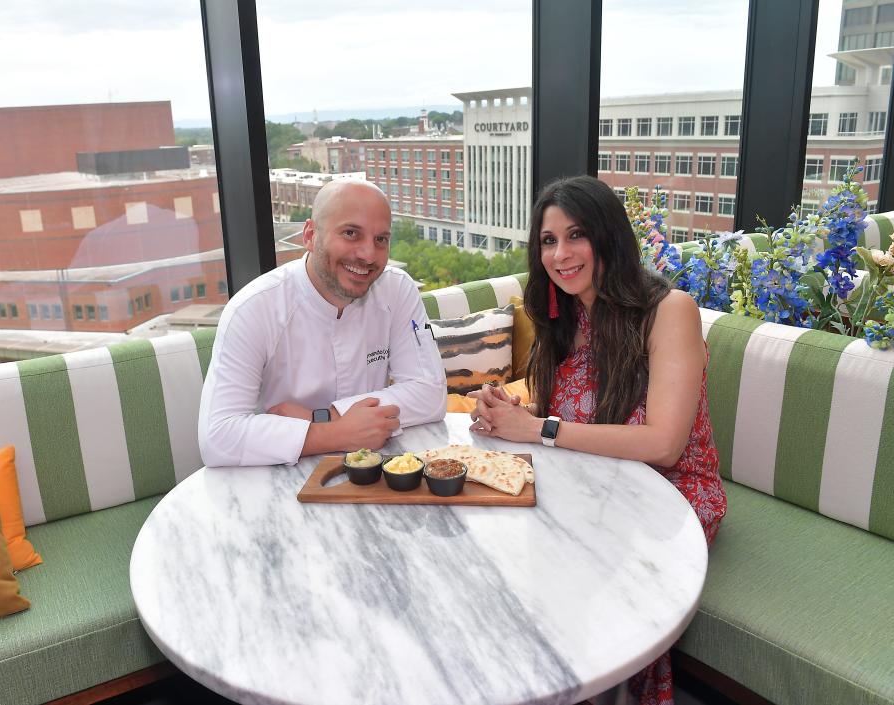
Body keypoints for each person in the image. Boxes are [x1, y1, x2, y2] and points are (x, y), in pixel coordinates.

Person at [468, 175, 726, 705]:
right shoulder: (565, 312)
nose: (561, 254)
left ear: (608, 235)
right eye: (548, 240)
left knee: (574, 568)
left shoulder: (669, 310)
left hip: (672, 494)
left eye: (576, 235)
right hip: (595, 476)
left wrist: (539, 430)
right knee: (502, 540)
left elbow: (664, 445)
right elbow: (572, 406)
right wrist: (515, 411)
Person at [199, 179, 447, 467]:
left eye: (381, 239)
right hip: (277, 476)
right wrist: (333, 434)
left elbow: (430, 393)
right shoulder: (253, 308)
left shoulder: (397, 290)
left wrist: (325, 416)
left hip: (373, 471)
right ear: (310, 235)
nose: (368, 254)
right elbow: (216, 437)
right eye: (351, 233)